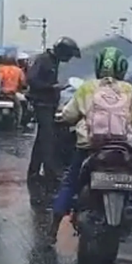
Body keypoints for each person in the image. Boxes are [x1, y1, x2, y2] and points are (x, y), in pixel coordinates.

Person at [49, 47, 132, 252]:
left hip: (89, 148)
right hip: (121, 149)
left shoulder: (86, 88)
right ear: (121, 68)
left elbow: (69, 115)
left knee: (70, 183)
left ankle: (53, 230)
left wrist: (63, 119)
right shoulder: (127, 89)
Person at [26, 37, 81, 197]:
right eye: (68, 55)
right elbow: (31, 79)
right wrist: (51, 87)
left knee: (42, 139)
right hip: (41, 104)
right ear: (62, 52)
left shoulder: (53, 61)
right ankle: (51, 173)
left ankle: (34, 172)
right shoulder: (43, 60)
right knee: (48, 138)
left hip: (49, 104)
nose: (68, 59)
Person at [0, 54, 27, 128]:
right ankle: (18, 123)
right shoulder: (18, 70)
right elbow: (23, 82)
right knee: (19, 108)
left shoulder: (1, 69)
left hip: (1, 93)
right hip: (13, 93)